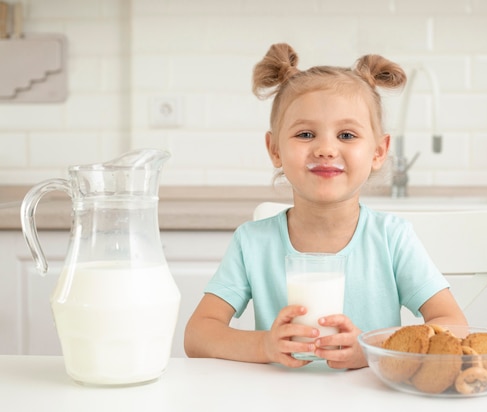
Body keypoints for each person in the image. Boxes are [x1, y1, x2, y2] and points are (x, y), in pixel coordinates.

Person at [184, 43, 467, 370]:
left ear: (378, 151)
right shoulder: (252, 243)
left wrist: (373, 349)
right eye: (306, 134)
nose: (326, 149)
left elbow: (454, 323)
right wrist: (263, 345)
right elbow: (197, 334)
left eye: (346, 135)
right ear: (274, 149)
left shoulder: (392, 238)